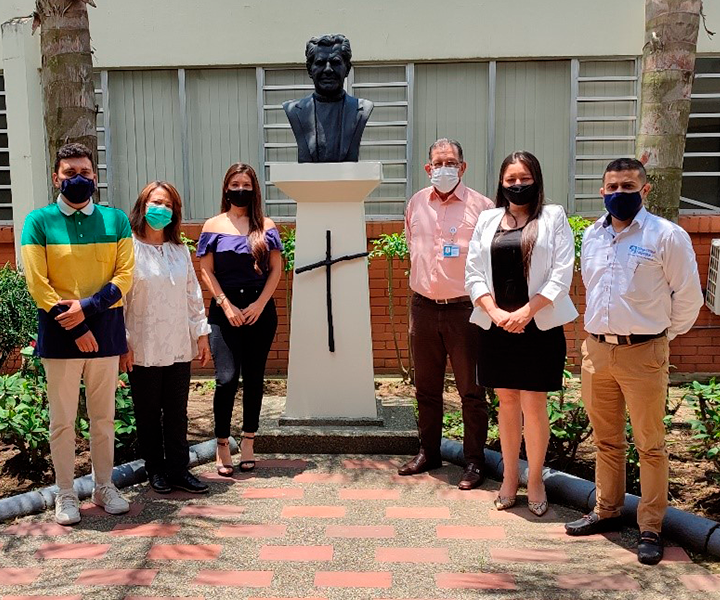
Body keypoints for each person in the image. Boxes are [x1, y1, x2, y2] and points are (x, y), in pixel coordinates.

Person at [565, 158, 703, 564]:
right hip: (597, 353)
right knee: (607, 440)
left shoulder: (667, 236)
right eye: (611, 186)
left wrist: (660, 337)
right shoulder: (592, 235)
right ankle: (607, 511)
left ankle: (650, 526)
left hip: (644, 352)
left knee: (650, 444)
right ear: (602, 191)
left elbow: (689, 298)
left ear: (644, 191)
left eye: (628, 186)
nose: (618, 193)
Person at [20, 143, 134, 525]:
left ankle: (104, 487)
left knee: (103, 418)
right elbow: (38, 283)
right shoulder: (39, 222)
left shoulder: (116, 220)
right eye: (69, 173)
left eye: (84, 172)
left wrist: (86, 310)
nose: (78, 179)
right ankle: (66, 493)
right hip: (60, 334)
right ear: (56, 177)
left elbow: (124, 276)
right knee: (63, 420)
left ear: (95, 177)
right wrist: (78, 325)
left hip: (105, 331)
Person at [465, 151, 578, 516]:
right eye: (510, 179)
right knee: (507, 401)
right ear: (501, 183)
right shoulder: (487, 219)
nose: (517, 185)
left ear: (537, 179)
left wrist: (527, 313)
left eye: (524, 178)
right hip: (496, 325)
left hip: (538, 325)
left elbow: (562, 273)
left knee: (534, 404)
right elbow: (473, 273)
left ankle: (535, 480)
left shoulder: (554, 216)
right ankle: (510, 477)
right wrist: (495, 312)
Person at [399, 138, 493, 490]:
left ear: (463, 167)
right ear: (428, 168)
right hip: (423, 307)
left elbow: (488, 260)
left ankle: (473, 462)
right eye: (437, 163)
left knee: (471, 390)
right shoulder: (415, 204)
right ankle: (429, 452)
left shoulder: (483, 207)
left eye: (451, 162)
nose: (444, 168)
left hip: (465, 310)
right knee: (426, 388)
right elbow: (413, 246)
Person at [120, 181, 212, 495]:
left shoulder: (179, 249)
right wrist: (123, 341)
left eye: (168, 204)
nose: (162, 209)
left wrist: (201, 334)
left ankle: (178, 470)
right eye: (156, 202)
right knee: (147, 413)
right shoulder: (128, 247)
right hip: (142, 345)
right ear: (142, 206)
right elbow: (120, 298)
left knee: (176, 412)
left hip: (177, 344)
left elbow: (192, 293)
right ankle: (155, 470)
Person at [198, 163, 282, 476]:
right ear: (226, 188)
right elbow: (206, 270)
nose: (241, 189)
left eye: (246, 184)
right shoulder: (213, 225)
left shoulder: (266, 225)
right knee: (226, 378)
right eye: (235, 183)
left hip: (260, 311)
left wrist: (260, 304)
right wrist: (226, 304)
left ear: (254, 189)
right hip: (224, 311)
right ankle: (222, 442)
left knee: (254, 378)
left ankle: (248, 441)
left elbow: (276, 269)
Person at [283, 34, 373, 163]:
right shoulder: (293, 110)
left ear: (347, 69)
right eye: (320, 63)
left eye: (335, 63)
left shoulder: (362, 109)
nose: (328, 69)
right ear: (309, 69)